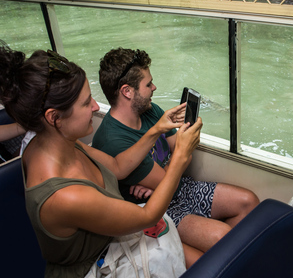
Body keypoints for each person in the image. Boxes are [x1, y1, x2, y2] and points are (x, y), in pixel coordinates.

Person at [0, 46, 202, 277]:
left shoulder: (60, 142)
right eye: (86, 103)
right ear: (54, 117)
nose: (96, 107)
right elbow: (147, 217)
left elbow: (117, 167)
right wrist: (181, 155)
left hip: (111, 245)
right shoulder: (63, 196)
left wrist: (156, 129)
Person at [92, 48, 259, 267]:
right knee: (223, 237)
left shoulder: (150, 111)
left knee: (248, 202)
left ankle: (232, 263)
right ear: (127, 91)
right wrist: (171, 167)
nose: (154, 87)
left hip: (176, 187)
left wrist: (170, 169)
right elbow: (174, 163)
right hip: (156, 209)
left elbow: (183, 154)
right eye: (148, 84)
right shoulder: (113, 141)